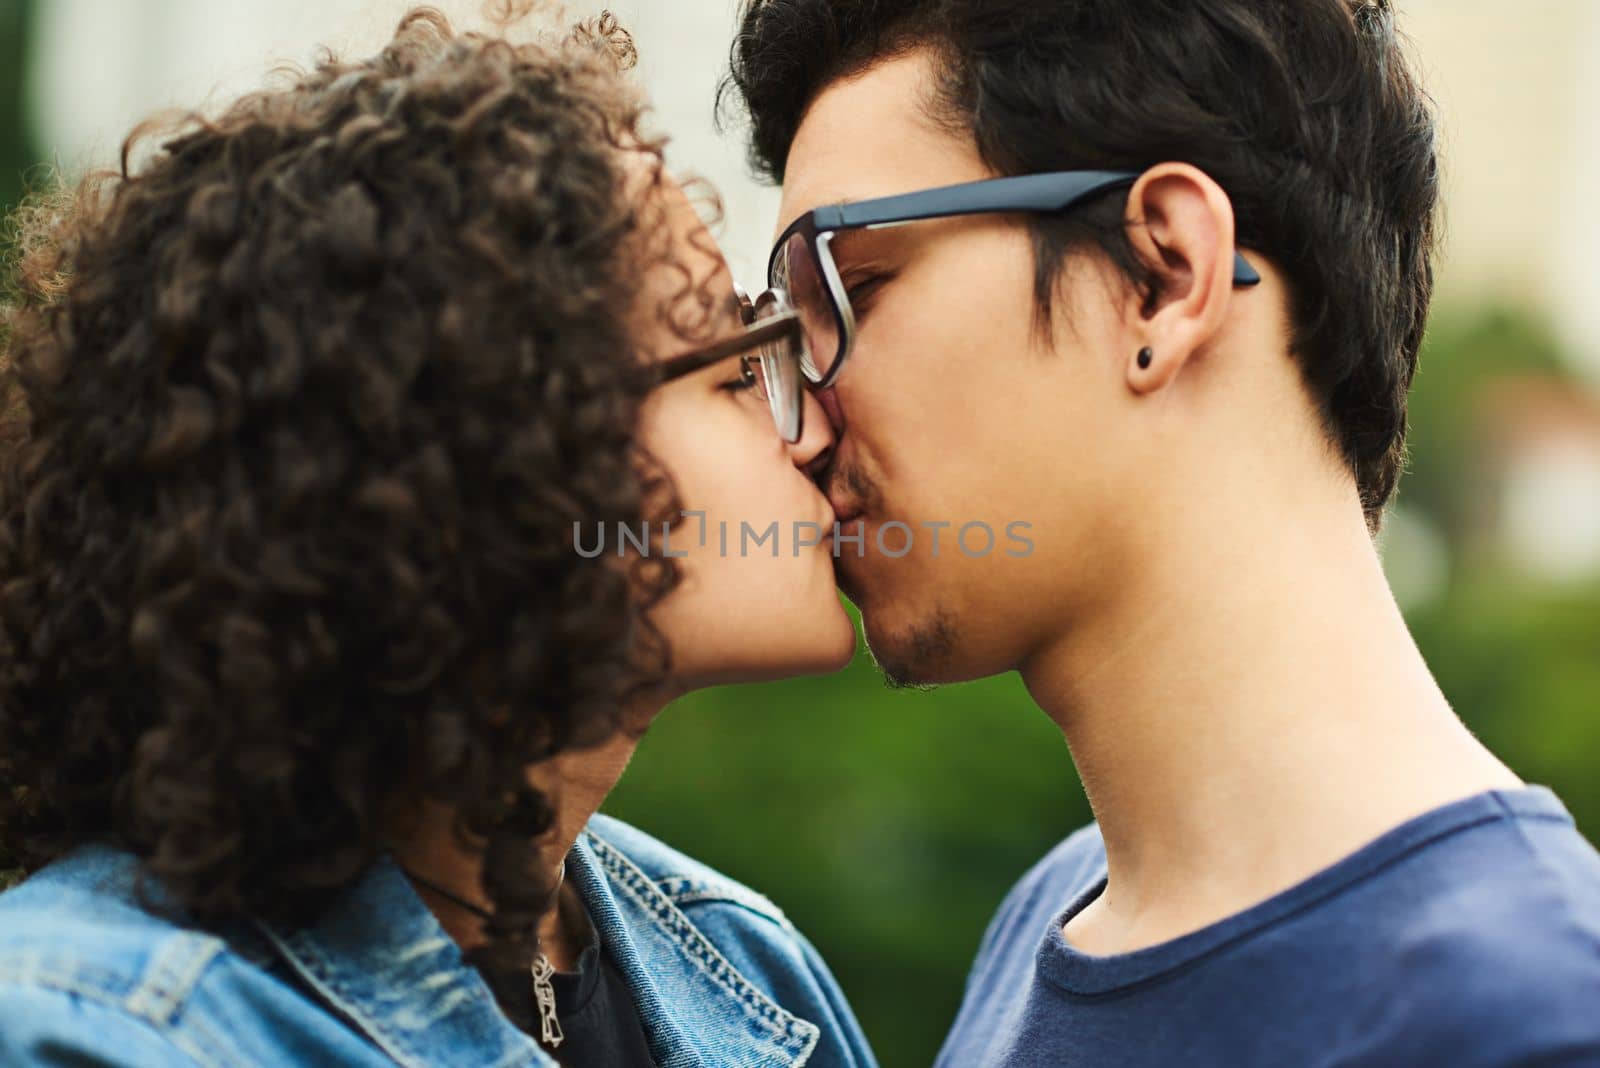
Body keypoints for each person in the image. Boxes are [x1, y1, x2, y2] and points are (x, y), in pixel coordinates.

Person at [723, 0, 1600, 1064]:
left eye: (854, 288)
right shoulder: (1049, 923)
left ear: (1164, 275)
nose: (801, 422)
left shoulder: (1531, 1013)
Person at [0, 9, 875, 1067]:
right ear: (492, 458)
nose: (818, 423)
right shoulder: (92, 1026)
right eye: (740, 370)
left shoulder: (746, 969)